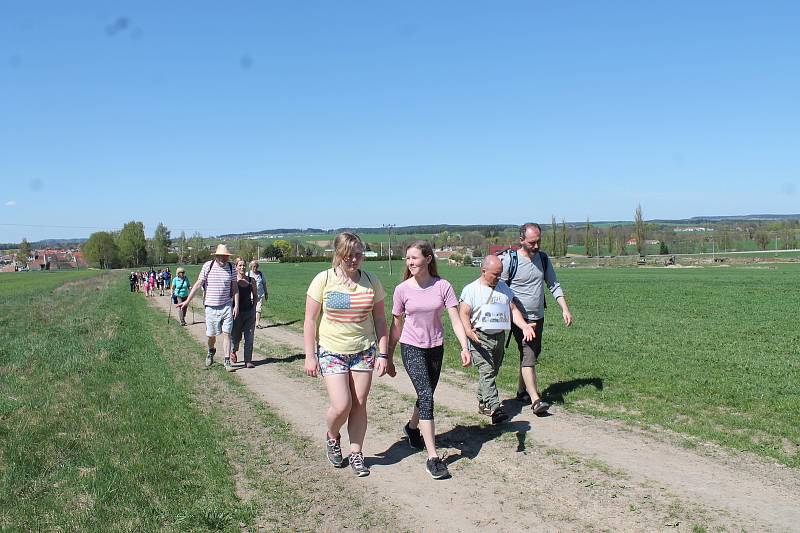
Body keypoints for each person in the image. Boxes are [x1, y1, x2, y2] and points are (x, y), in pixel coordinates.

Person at [303, 232, 388, 478]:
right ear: (338, 255)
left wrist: (383, 353)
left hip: (363, 349)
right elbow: (310, 319)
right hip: (332, 350)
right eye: (348, 255)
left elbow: (380, 318)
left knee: (359, 404)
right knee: (342, 404)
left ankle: (357, 453)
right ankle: (332, 436)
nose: (354, 260)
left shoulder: (371, 281)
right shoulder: (324, 279)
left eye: (358, 255)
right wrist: (310, 355)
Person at [386, 241, 471, 479]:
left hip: (436, 347)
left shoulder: (442, 286)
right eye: (407, 259)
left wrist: (465, 347)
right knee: (425, 396)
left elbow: (455, 320)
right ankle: (433, 457)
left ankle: (412, 429)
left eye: (414, 258)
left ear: (428, 259)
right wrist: (389, 355)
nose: (410, 262)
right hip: (411, 346)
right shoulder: (402, 289)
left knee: (427, 395)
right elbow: (396, 326)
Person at [500, 223, 574, 415]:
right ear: (521, 240)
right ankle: (536, 400)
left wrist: (564, 309)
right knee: (529, 352)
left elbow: (554, 284)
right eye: (532, 242)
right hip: (518, 318)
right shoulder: (511, 260)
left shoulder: (543, 258)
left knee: (531, 353)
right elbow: (500, 289)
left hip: (538, 316)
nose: (536, 246)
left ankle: (521, 391)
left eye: (538, 241)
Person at [459, 255, 534, 425]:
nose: (498, 277)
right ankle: (495, 408)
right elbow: (463, 313)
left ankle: (482, 401)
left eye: (500, 274)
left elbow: (513, 310)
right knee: (486, 371)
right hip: (479, 337)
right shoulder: (470, 290)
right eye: (495, 274)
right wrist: (469, 332)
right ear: (483, 271)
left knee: (492, 371)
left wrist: (525, 326)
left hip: (498, 337)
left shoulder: (503, 288)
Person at [177, 244, 239, 371]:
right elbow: (198, 283)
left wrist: (236, 305)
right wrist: (187, 301)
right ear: (216, 256)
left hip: (226, 305)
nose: (223, 259)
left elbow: (235, 288)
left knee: (227, 334)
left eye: (226, 256)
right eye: (221, 256)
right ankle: (211, 350)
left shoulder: (232, 268)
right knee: (211, 336)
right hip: (210, 307)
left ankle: (227, 361)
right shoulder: (208, 266)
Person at [231, 258, 258, 369]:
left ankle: (248, 360)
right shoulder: (233, 281)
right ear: (236, 267)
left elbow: (255, 296)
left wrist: (254, 309)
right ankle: (233, 351)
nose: (242, 267)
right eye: (240, 265)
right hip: (236, 314)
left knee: (249, 337)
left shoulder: (251, 281)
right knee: (235, 337)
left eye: (244, 265)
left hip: (249, 313)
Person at [249, 260, 268, 329]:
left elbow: (264, 283)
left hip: (260, 295)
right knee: (251, 309)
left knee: (258, 309)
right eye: (253, 266)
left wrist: (266, 293)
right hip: (250, 296)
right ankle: (250, 322)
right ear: (251, 267)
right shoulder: (248, 274)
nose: (255, 268)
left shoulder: (260, 274)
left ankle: (257, 324)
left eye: (256, 266)